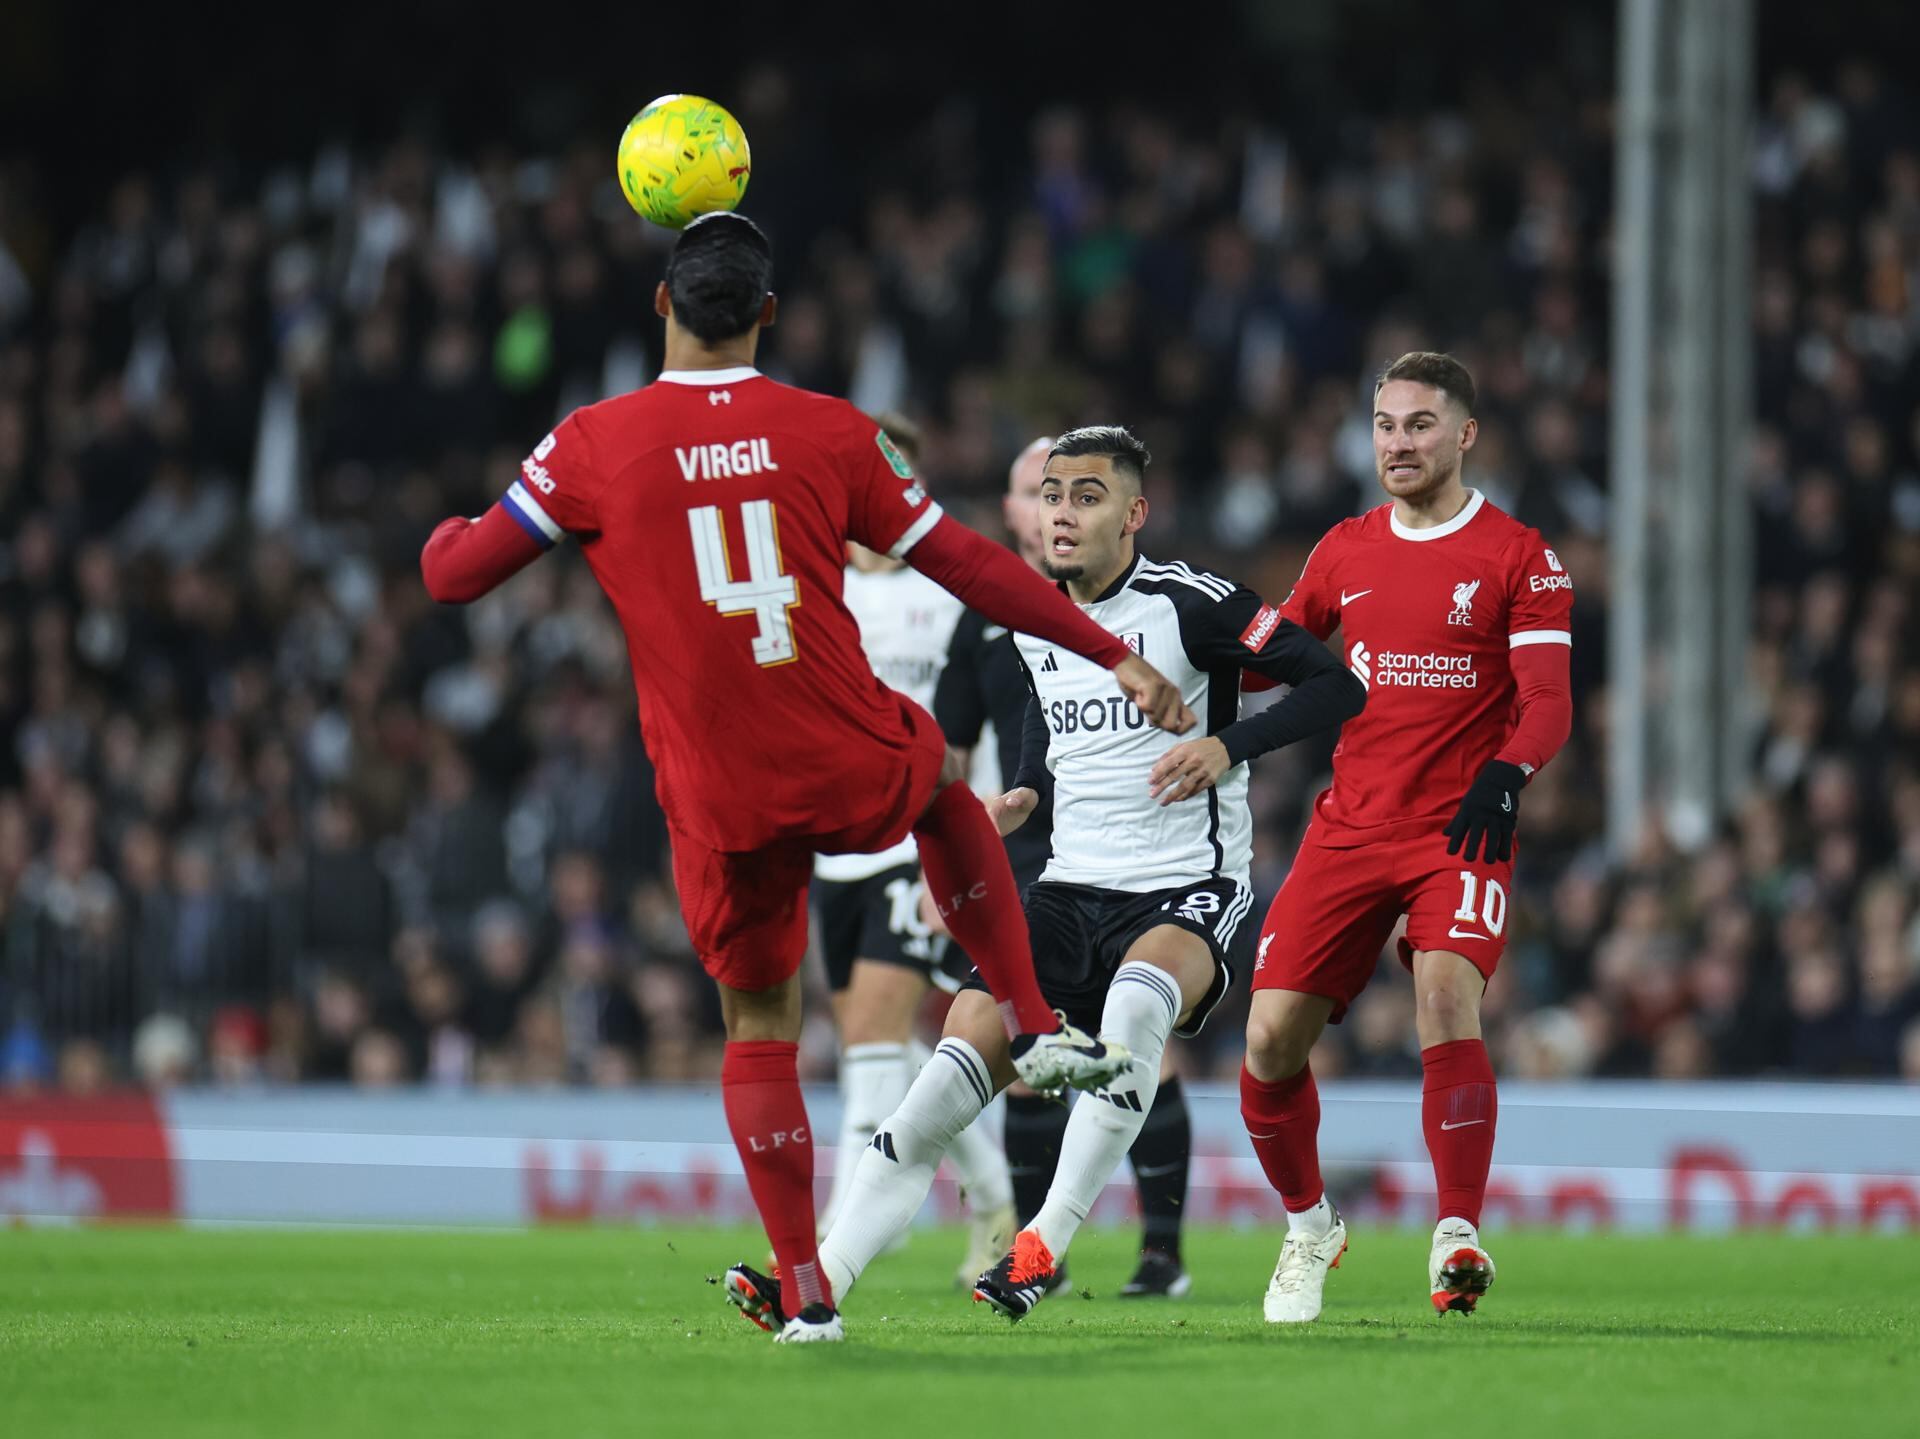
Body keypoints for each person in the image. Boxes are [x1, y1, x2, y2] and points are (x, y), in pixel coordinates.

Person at [418, 214, 1196, 1344]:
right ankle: (1029, 1018)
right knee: (936, 781)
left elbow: (453, 575)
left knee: (761, 1026)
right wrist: (1110, 647)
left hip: (717, 784)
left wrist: (453, 519)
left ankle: (809, 1289)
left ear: (660, 305)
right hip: (839, 740)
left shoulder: (590, 440)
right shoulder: (831, 430)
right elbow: (972, 560)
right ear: (769, 316)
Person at [724, 424, 1363, 1331]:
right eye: (1053, 495)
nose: (1062, 514)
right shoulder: (1031, 612)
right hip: (1069, 886)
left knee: (1139, 1007)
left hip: (1185, 885)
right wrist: (1025, 785)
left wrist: (1227, 744)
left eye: (1087, 497)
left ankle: (1041, 1246)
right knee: (944, 1078)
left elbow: (1336, 684)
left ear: (1134, 513)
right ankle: (816, 1284)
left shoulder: (1192, 604)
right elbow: (1041, 705)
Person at [1238, 352, 1574, 1323]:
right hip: (1349, 827)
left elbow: (1547, 702)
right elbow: (1275, 660)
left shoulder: (1520, 555)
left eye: (1419, 424)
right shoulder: (1344, 548)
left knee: (1443, 996)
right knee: (1267, 1041)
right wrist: (1191, 661)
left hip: (1457, 828)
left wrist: (1505, 779)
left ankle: (1456, 1232)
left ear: (1464, 434)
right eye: (1385, 424)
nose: (1398, 442)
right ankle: (1310, 1226)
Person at [934, 435, 1197, 1299]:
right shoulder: (982, 617)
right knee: (1020, 1050)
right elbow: (952, 743)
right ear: (1014, 511)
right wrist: (947, 845)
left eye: (1078, 494)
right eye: (1034, 491)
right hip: (1022, 851)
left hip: (1120, 853)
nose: (1054, 508)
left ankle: (1160, 1252)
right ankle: (1037, 1244)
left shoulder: (1133, 608)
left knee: (1140, 1049)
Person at [810, 413, 1016, 1286]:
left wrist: (985, 828)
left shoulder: (950, 586)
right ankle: (995, 1199)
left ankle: (832, 1242)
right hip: (836, 842)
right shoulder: (816, 585)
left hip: (918, 829)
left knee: (874, 1033)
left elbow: (977, 718)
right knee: (877, 1046)